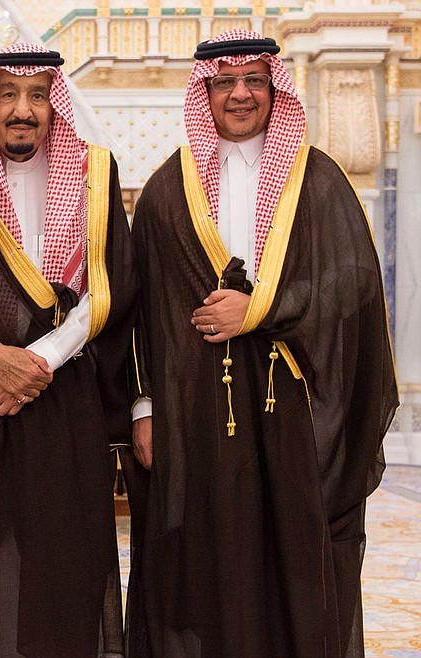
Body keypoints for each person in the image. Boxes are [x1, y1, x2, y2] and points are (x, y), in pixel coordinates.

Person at [124, 29, 399, 657]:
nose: (240, 94)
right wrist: (144, 409)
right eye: (225, 82)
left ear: (276, 90)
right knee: (203, 565)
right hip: (194, 420)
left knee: (291, 563)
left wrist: (265, 308)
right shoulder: (169, 190)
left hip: (292, 420)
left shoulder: (319, 182)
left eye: (254, 80)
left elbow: (351, 287)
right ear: (206, 91)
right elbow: (139, 312)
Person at [0, 42, 137, 657]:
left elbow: (112, 282)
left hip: (65, 405)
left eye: (38, 95)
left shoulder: (94, 171)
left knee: (63, 562)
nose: (22, 109)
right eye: (9, 93)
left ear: (54, 103)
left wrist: (41, 361)